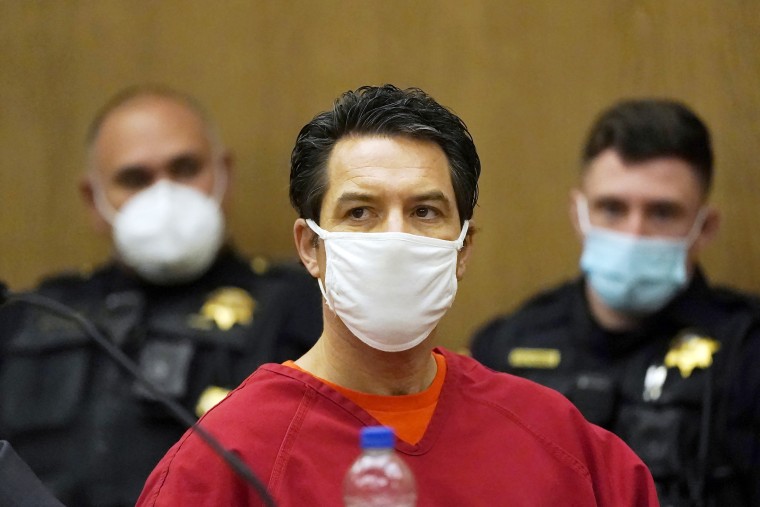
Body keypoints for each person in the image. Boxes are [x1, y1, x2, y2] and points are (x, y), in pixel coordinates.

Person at [137, 84, 658, 506]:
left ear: (462, 247)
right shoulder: (225, 460)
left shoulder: (559, 444)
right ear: (310, 247)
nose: (395, 238)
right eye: (360, 212)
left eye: (425, 212)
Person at [0, 85, 322, 507]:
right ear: (93, 200)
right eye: (135, 179)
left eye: (185, 168)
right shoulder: (33, 315)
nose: (164, 194)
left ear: (224, 175)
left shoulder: (301, 305)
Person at [471, 99, 760, 506]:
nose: (634, 232)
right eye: (612, 208)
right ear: (578, 214)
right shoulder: (507, 345)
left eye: (662, 212)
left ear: (704, 228)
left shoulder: (748, 351)